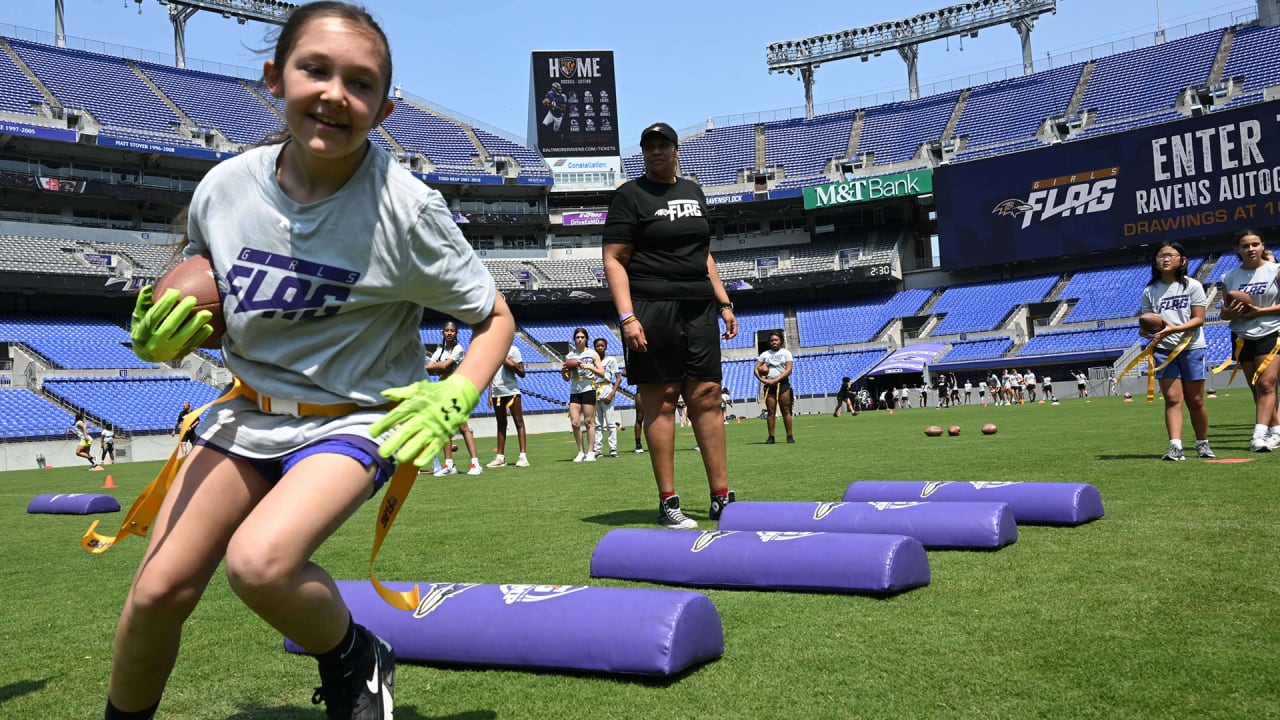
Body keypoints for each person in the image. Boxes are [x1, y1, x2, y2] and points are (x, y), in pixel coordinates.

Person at [103, 5, 515, 719]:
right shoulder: (224, 189)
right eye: (315, 70)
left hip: (351, 418)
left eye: (360, 84)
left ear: (383, 110)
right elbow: (219, 298)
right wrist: (165, 337)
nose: (334, 94)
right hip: (246, 411)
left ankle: (354, 653)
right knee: (154, 594)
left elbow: (495, 316)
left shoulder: (407, 211)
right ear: (274, 78)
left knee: (260, 565)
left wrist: (458, 393)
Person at [601, 121, 739, 529]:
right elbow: (614, 259)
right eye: (649, 147)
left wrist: (724, 301)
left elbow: (704, 255)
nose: (655, 152)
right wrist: (627, 317)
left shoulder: (694, 192)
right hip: (651, 306)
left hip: (699, 307)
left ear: (676, 149)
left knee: (708, 395)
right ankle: (669, 501)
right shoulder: (629, 196)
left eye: (662, 145)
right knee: (661, 400)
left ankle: (721, 497)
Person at [1140, 241, 1213, 460]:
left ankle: (1202, 443)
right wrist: (1145, 331)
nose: (1165, 259)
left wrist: (1173, 328)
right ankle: (1175, 446)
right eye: (1161, 255)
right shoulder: (1150, 290)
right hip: (1163, 349)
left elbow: (1199, 319)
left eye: (1170, 255)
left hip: (1191, 347)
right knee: (1172, 399)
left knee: (1196, 400)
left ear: (1182, 260)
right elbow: (1147, 321)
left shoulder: (1192, 286)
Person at [1220, 229, 1280, 452]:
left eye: (1255, 244)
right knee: (1256, 387)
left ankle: (1258, 436)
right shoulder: (1229, 277)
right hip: (1242, 335)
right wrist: (1229, 312)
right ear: (1238, 250)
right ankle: (1276, 431)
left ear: (1263, 245)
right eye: (1245, 246)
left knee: (1266, 383)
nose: (1251, 249)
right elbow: (1224, 313)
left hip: (1272, 331)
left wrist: (1260, 311)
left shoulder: (1275, 270)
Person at [426, 321, 483, 476]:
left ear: (456, 333)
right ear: (443, 333)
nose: (449, 333)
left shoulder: (458, 349)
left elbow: (443, 367)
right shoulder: (439, 350)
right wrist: (437, 367)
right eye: (447, 331)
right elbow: (431, 369)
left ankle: (475, 464)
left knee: (463, 427)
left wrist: (438, 367)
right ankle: (449, 465)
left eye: (452, 331)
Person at [562, 327, 603, 462]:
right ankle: (580, 451)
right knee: (574, 422)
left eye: (582, 337)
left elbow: (601, 373)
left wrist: (589, 367)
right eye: (577, 337)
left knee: (588, 421)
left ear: (586, 339)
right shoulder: (570, 356)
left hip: (588, 387)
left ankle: (591, 452)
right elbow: (567, 378)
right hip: (575, 389)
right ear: (574, 339)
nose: (579, 340)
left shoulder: (592, 354)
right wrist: (563, 371)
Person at [487, 341, 529, 468]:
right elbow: (490, 373)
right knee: (501, 424)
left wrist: (512, 364)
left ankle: (523, 456)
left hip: (512, 391)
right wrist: (490, 393)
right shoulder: (491, 350)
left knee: (519, 422)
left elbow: (522, 373)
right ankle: (500, 458)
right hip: (497, 393)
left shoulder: (513, 350)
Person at [757, 331, 796, 442]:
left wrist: (776, 380)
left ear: (781, 341)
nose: (774, 342)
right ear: (769, 342)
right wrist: (763, 380)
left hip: (783, 384)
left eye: (776, 340)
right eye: (772, 340)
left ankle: (789, 436)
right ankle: (771, 437)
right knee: (771, 411)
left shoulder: (786, 353)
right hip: (770, 386)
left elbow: (788, 370)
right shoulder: (765, 354)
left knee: (786, 410)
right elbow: (756, 369)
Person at [592, 336, 622, 458]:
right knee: (597, 424)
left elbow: (618, 378)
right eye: (597, 346)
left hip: (606, 389)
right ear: (594, 347)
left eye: (602, 345)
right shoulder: (591, 361)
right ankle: (598, 449)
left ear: (606, 347)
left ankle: (613, 448)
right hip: (594, 390)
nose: (600, 348)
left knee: (610, 423)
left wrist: (612, 393)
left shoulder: (611, 360)